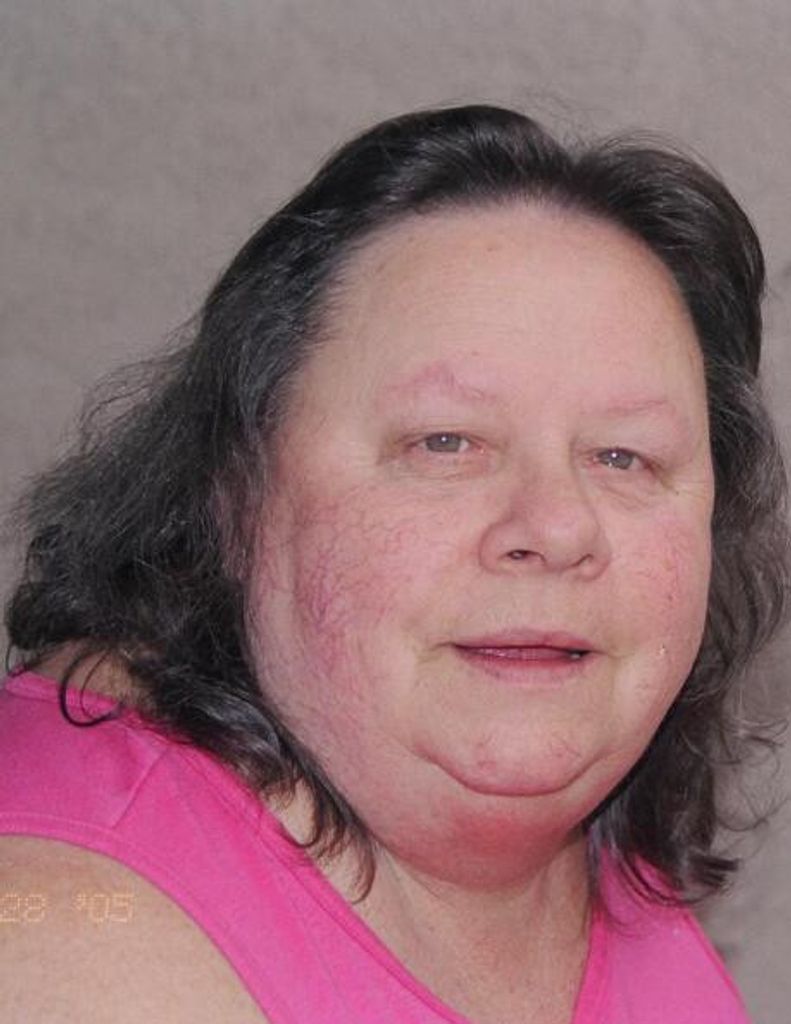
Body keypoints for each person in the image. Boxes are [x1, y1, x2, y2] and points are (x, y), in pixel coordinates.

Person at [1, 104, 788, 1024]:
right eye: (444, 442)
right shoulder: (65, 938)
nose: (556, 525)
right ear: (235, 496)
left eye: (624, 456)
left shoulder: (563, 821)